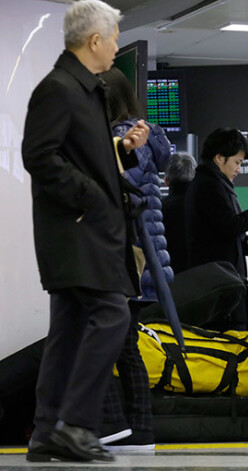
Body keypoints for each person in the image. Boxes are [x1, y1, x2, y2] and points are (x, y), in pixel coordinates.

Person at [21, 0, 149, 462]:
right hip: (77, 232)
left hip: (85, 231)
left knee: (70, 330)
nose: (117, 45)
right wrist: (92, 197)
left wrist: (124, 149)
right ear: (94, 40)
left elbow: (81, 156)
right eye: (114, 36)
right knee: (113, 316)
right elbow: (39, 156)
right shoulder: (59, 88)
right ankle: (75, 425)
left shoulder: (85, 89)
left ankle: (45, 431)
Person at [95, 65, 173, 453]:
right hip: (144, 251)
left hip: (122, 249)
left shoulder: (122, 140)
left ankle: (112, 425)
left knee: (103, 340)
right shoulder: (148, 136)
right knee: (124, 343)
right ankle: (138, 429)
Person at [185, 128, 248, 329]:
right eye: (237, 162)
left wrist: (246, 243)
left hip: (221, 277)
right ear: (219, 158)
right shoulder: (208, 186)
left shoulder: (216, 184)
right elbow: (228, 226)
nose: (239, 169)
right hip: (215, 282)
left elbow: (221, 230)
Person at [101, 66, 174, 300]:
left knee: (132, 331)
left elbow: (120, 198)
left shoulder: (125, 137)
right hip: (147, 256)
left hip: (136, 261)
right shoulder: (134, 133)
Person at [162, 152, 197, 274]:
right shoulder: (207, 206)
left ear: (166, 181)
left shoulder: (158, 209)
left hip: (168, 278)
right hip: (204, 279)